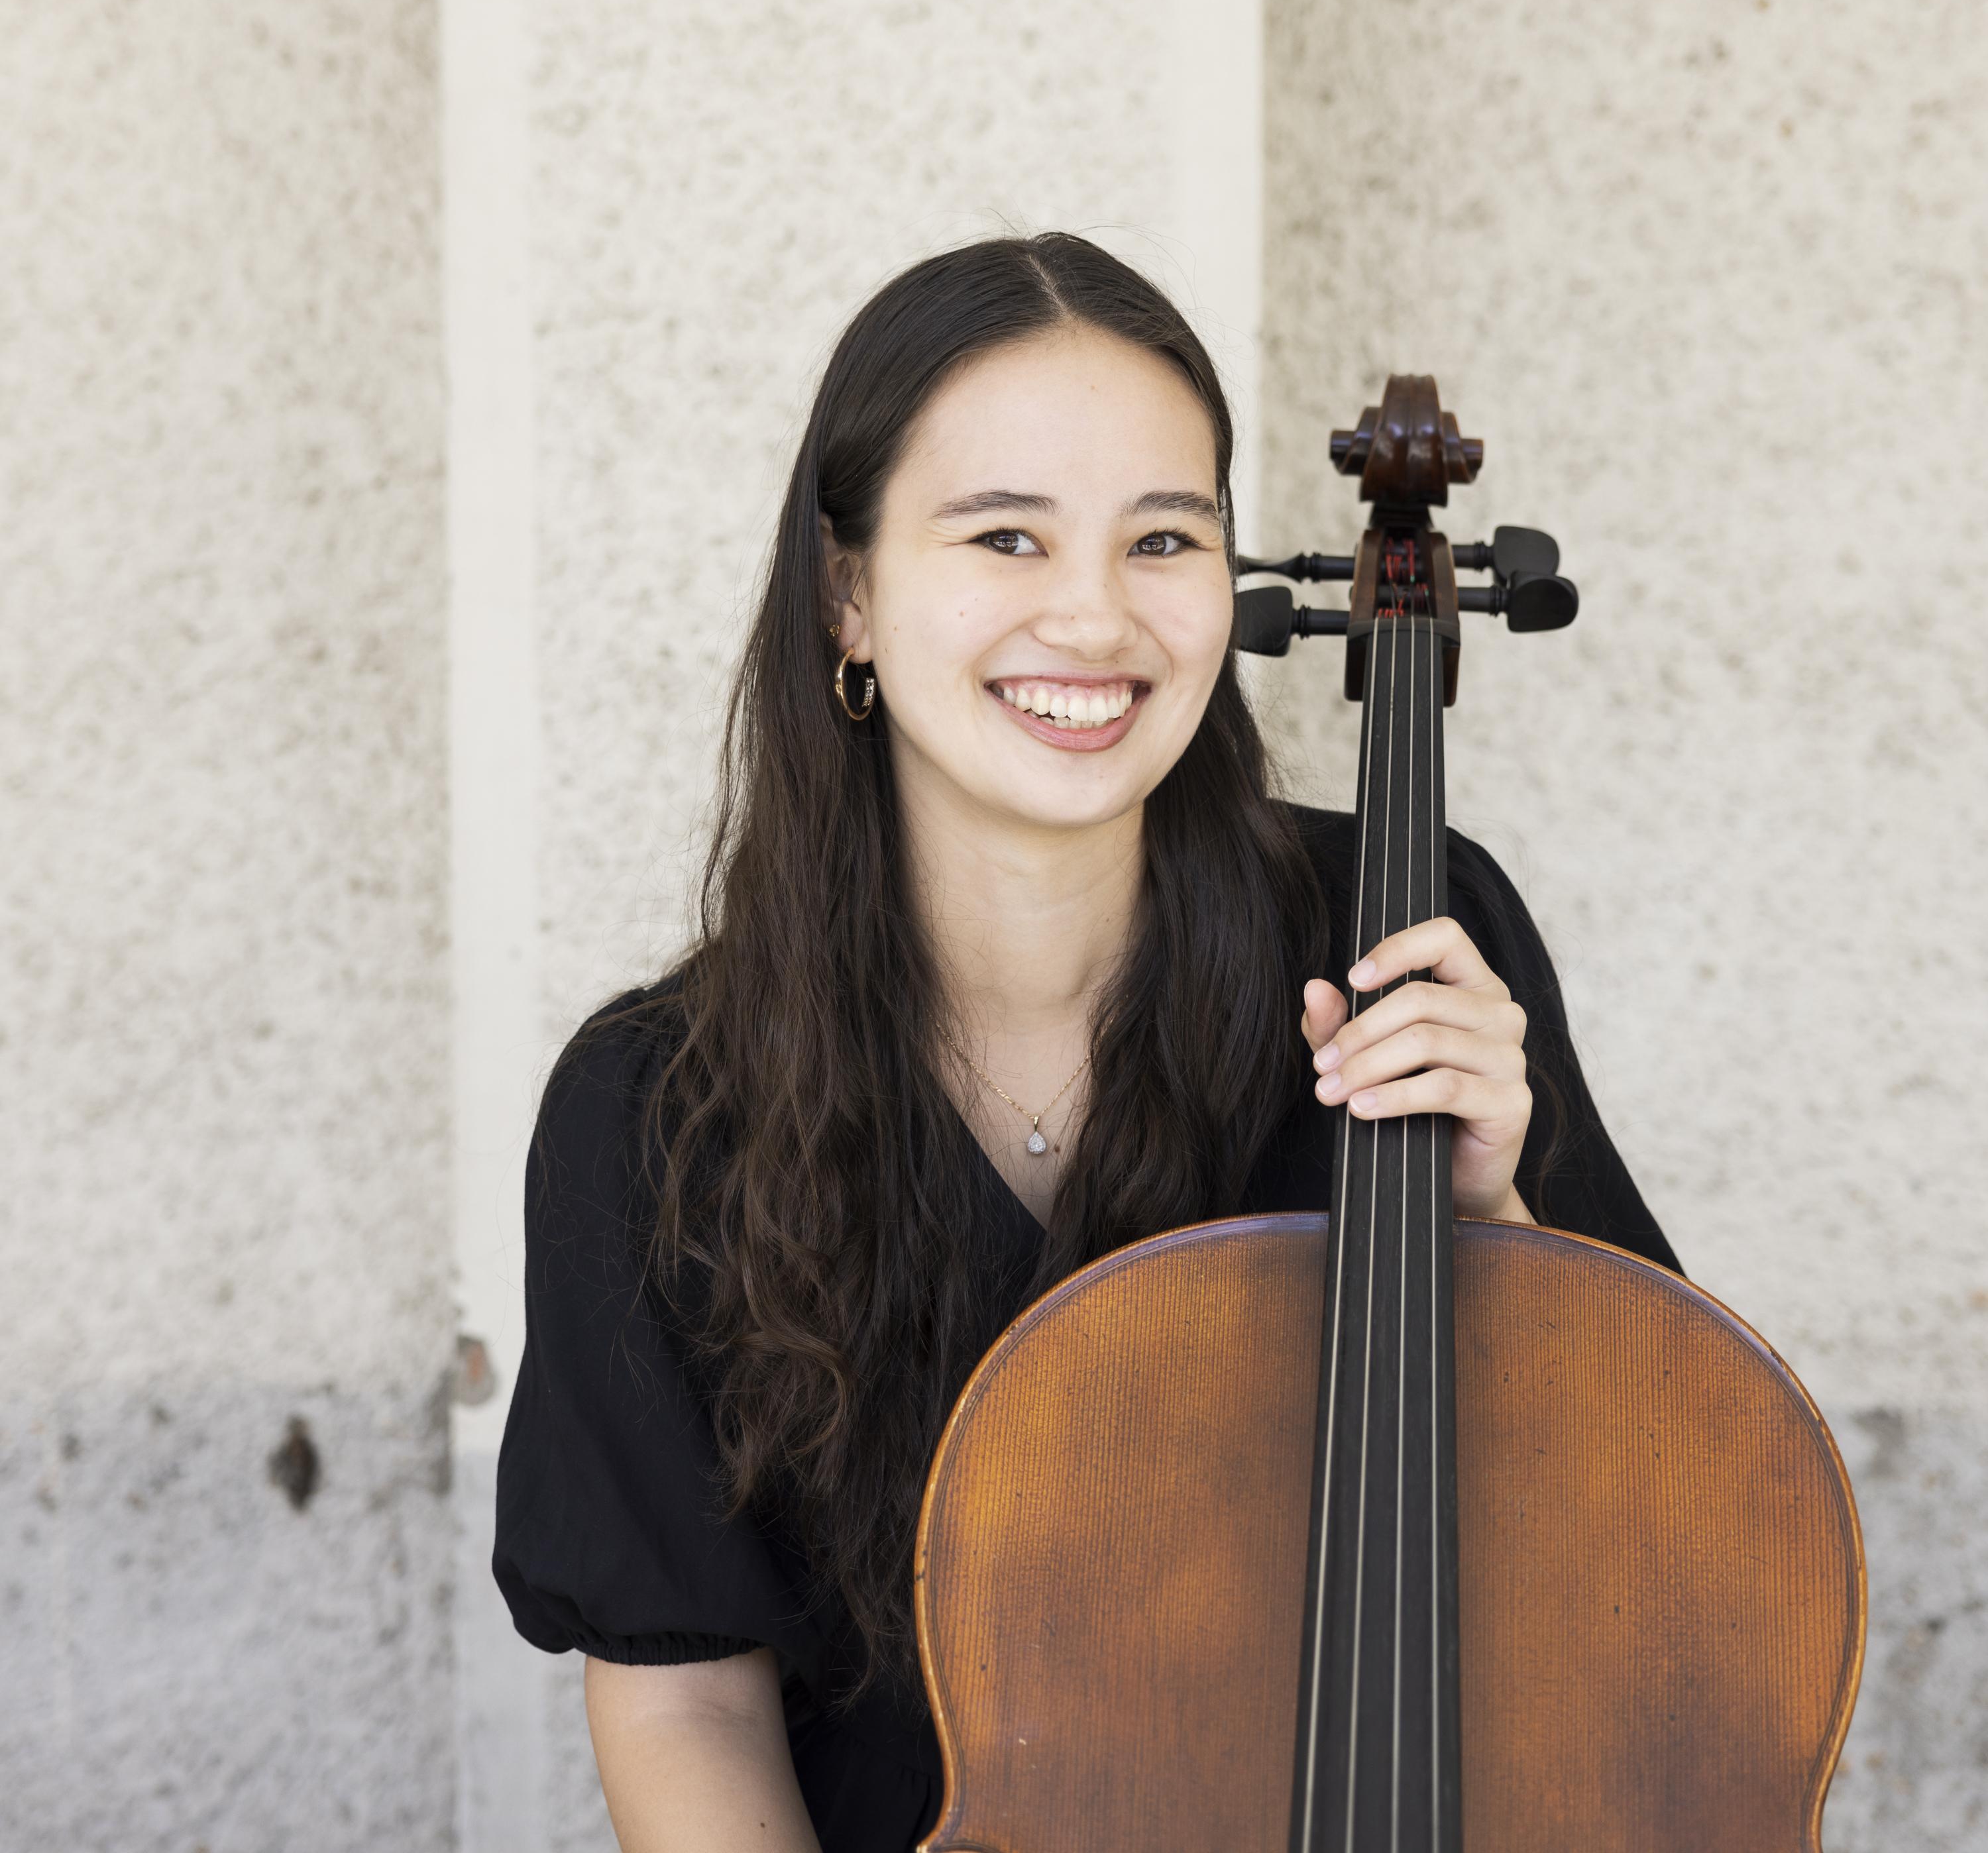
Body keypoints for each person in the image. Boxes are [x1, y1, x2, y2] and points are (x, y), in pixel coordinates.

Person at [492, 233, 1677, 1853]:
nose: (1095, 617)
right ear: (848, 591)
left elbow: (1671, 1559)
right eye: (1004, 535)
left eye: (1164, 539)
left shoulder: (1403, 932)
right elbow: (687, 1693)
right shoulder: (651, 1110)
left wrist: (1500, 1217)